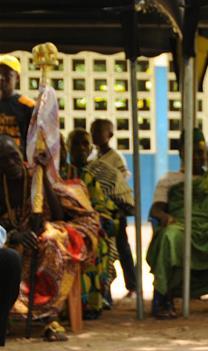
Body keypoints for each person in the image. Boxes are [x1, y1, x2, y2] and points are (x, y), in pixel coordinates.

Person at [146, 129, 208, 319]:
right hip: (180, 225)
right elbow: (155, 210)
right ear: (181, 152)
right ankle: (162, 298)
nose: (198, 157)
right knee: (168, 237)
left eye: (200, 152)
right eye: (192, 152)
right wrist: (165, 218)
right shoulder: (169, 180)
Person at [0, 135, 87, 334]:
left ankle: (46, 313)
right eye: (3, 159)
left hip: (39, 231)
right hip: (8, 236)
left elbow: (57, 215)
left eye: (14, 156)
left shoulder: (34, 176)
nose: (11, 163)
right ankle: (9, 314)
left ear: (21, 152)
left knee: (52, 245)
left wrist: (44, 176)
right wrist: (14, 234)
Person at [64, 129, 119, 319]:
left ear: (90, 149)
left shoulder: (91, 177)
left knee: (100, 243)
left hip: (87, 225)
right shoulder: (60, 174)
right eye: (75, 144)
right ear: (67, 148)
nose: (80, 149)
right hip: (63, 225)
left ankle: (92, 305)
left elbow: (101, 205)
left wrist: (102, 219)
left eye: (84, 144)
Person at [88, 119, 137, 297]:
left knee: (122, 247)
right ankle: (106, 286)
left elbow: (120, 181)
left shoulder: (116, 157)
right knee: (105, 248)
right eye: (92, 131)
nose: (94, 134)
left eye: (98, 131)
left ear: (110, 135)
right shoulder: (92, 157)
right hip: (99, 210)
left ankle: (133, 285)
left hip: (115, 210)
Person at [0, 55, 35, 156]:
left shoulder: (28, 106)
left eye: (7, 74)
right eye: (0, 74)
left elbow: (33, 140)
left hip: (17, 163)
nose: (2, 78)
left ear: (17, 77)